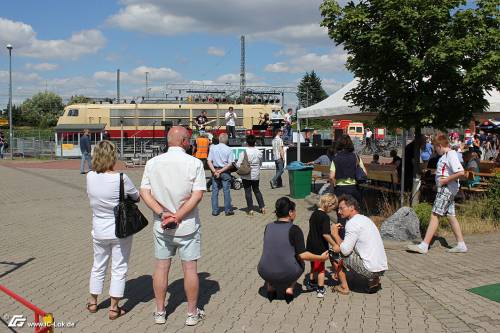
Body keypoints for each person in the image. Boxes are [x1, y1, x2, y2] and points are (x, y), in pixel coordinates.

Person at [140, 126, 207, 326]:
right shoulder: (194, 163)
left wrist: (163, 213)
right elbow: (197, 195)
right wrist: (178, 216)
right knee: (190, 269)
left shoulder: (152, 163)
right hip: (187, 225)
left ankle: (160, 311)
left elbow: (144, 192)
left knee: (161, 267)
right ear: (184, 141)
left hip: (162, 225)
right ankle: (191, 313)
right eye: (189, 140)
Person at [86, 140, 139, 320]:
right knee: (119, 267)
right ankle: (114, 308)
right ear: (113, 156)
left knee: (98, 265)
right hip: (120, 229)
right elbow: (136, 196)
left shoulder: (90, 176)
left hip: (99, 229)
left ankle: (93, 302)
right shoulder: (121, 178)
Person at [257, 197, 329, 303]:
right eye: (295, 211)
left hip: (264, 271)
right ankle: (289, 289)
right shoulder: (295, 229)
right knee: (300, 262)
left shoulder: (268, 227)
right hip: (287, 273)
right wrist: (321, 258)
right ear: (290, 212)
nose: (295, 213)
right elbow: (303, 255)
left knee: (273, 256)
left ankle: (270, 288)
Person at [407, 134, 467, 254]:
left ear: (440, 146)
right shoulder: (447, 155)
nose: (435, 150)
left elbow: (461, 172)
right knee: (450, 215)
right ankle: (461, 244)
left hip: (446, 189)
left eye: (435, 147)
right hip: (446, 188)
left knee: (435, 214)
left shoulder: (451, 155)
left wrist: (444, 180)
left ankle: (424, 245)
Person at [330, 195, 388, 295]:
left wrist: (335, 234)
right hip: (381, 268)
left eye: (341, 208)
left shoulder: (352, 223)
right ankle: (375, 281)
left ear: (352, 207)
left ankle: (344, 287)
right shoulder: (365, 219)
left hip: (369, 270)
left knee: (332, 252)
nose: (339, 212)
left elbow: (345, 250)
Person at [305, 194, 338, 298]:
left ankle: (310, 283)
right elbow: (325, 234)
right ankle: (320, 289)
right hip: (320, 246)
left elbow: (318, 228)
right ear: (329, 204)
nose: (333, 209)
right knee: (320, 269)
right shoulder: (325, 217)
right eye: (333, 207)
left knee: (313, 265)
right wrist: (334, 244)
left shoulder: (314, 213)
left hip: (310, 244)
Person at [329, 134, 364, 220]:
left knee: (341, 215)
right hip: (354, 189)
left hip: (340, 190)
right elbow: (364, 173)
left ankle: (342, 232)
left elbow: (331, 176)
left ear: (339, 145)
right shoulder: (356, 157)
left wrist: (333, 185)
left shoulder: (336, 158)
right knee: (355, 214)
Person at [236, 135, 266, 215]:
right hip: (256, 174)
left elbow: (238, 164)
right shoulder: (259, 152)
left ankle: (250, 209)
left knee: (248, 192)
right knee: (257, 190)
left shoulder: (244, 152)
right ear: (255, 142)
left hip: (246, 175)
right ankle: (262, 207)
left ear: (246, 142)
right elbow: (260, 163)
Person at [207, 133, 234, 216]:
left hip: (215, 170)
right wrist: (221, 171)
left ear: (219, 139)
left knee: (215, 191)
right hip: (225, 171)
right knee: (226, 191)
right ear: (227, 140)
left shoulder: (213, 148)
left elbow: (209, 161)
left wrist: (215, 171)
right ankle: (228, 210)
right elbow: (230, 164)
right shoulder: (229, 149)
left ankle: (215, 210)